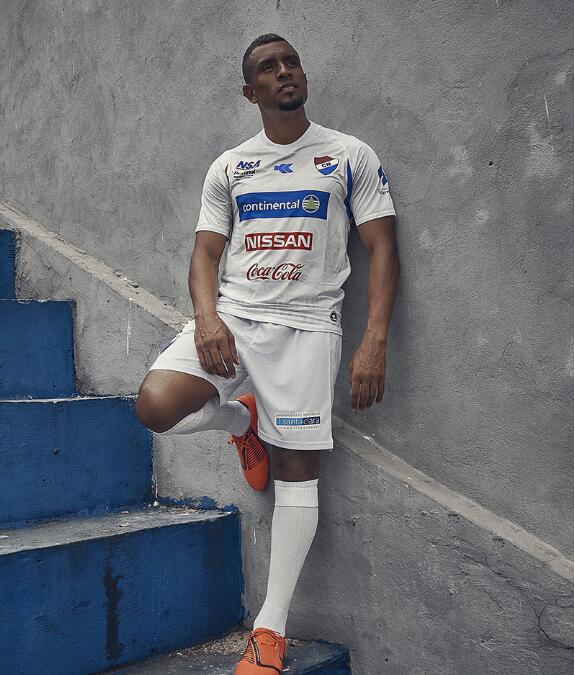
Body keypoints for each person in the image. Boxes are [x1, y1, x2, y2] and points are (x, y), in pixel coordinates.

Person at [135, 33, 400, 675]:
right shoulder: (231, 166)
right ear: (249, 91)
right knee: (155, 406)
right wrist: (207, 319)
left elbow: (383, 249)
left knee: (296, 473)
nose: (285, 72)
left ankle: (269, 630)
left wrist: (373, 340)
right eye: (268, 68)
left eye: (291, 62)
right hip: (235, 319)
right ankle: (241, 421)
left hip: (308, 328)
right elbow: (205, 252)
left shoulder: (348, 155)